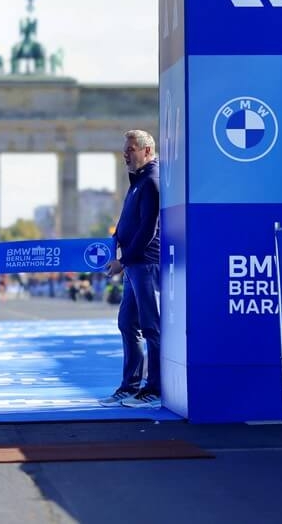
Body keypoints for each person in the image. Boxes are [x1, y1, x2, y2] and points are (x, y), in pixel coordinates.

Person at [99, 129, 162, 409]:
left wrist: (122, 261)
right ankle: (130, 386)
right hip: (134, 265)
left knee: (151, 327)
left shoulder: (151, 180)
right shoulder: (138, 180)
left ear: (147, 151)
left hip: (145, 263)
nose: (125, 154)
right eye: (124, 150)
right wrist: (113, 242)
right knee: (127, 323)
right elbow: (129, 223)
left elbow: (149, 228)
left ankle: (155, 389)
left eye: (131, 149)